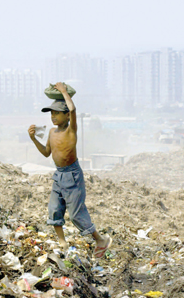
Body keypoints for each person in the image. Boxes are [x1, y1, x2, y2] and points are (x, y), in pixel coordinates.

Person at [28, 82, 112, 258]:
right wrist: (33, 138)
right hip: (59, 174)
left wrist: (65, 92)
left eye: (57, 113)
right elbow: (46, 153)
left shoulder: (71, 130)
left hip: (72, 175)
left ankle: (100, 240)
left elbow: (73, 110)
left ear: (67, 116)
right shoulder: (51, 132)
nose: (53, 116)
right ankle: (62, 243)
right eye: (51, 113)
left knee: (75, 214)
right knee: (54, 208)